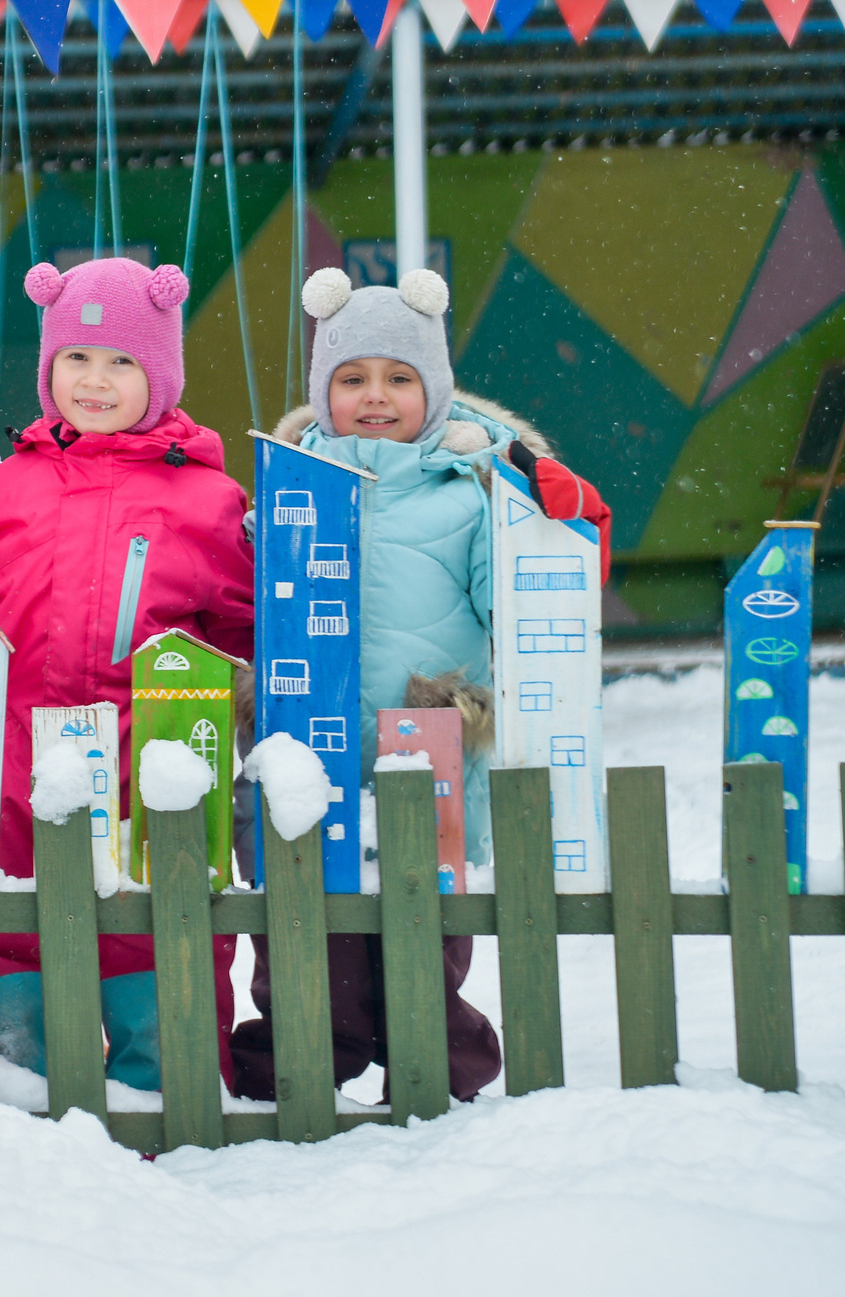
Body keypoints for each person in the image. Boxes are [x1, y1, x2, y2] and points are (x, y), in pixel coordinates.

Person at [227, 267, 613, 1106]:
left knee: (423, 928)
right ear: (322, 388)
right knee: (303, 928)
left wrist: (554, 519)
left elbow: (523, 596)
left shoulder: (472, 492)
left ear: (433, 388)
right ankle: (300, 1054)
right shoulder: (289, 484)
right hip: (308, 749)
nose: (376, 396)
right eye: (352, 377)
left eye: (400, 379)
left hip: (424, 749)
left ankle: (436, 1061)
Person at [0, 257, 254, 1092]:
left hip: (146, 773)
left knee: (151, 940)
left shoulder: (206, 500)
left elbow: (243, 633)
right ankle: (25, 1113)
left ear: (159, 375)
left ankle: (165, 1113)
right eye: (76, 360)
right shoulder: (4, 488)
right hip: (18, 768)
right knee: (15, 939)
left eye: (122, 361)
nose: (96, 380)